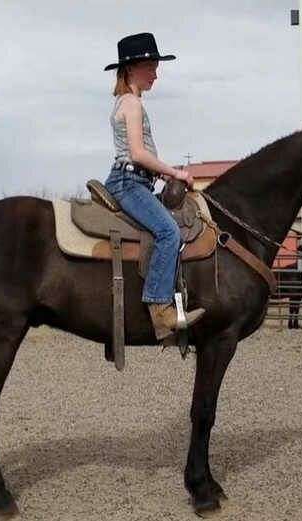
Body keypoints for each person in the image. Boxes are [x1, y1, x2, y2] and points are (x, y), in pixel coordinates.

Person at [103, 32, 205, 341]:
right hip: (129, 183)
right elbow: (137, 154)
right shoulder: (132, 104)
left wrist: (163, 176)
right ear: (132, 68)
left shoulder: (127, 102)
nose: (155, 75)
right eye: (151, 67)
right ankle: (160, 309)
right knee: (168, 231)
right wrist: (175, 172)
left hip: (136, 179)